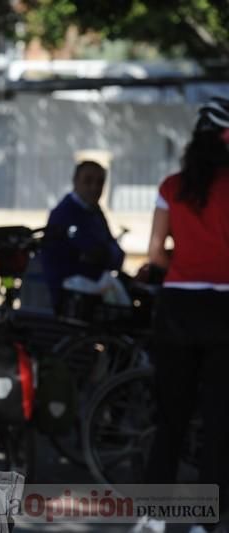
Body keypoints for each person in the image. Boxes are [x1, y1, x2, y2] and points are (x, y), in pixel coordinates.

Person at [144, 97, 229, 530]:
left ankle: (155, 519)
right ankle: (204, 523)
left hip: (177, 307)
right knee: (218, 423)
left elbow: (156, 253)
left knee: (171, 419)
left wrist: (184, 258)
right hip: (224, 311)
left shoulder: (171, 186)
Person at [41, 160, 125, 306]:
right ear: (75, 181)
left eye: (100, 183)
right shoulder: (63, 214)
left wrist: (106, 255)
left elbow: (113, 252)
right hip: (72, 298)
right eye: (88, 181)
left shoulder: (96, 212)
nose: (94, 188)